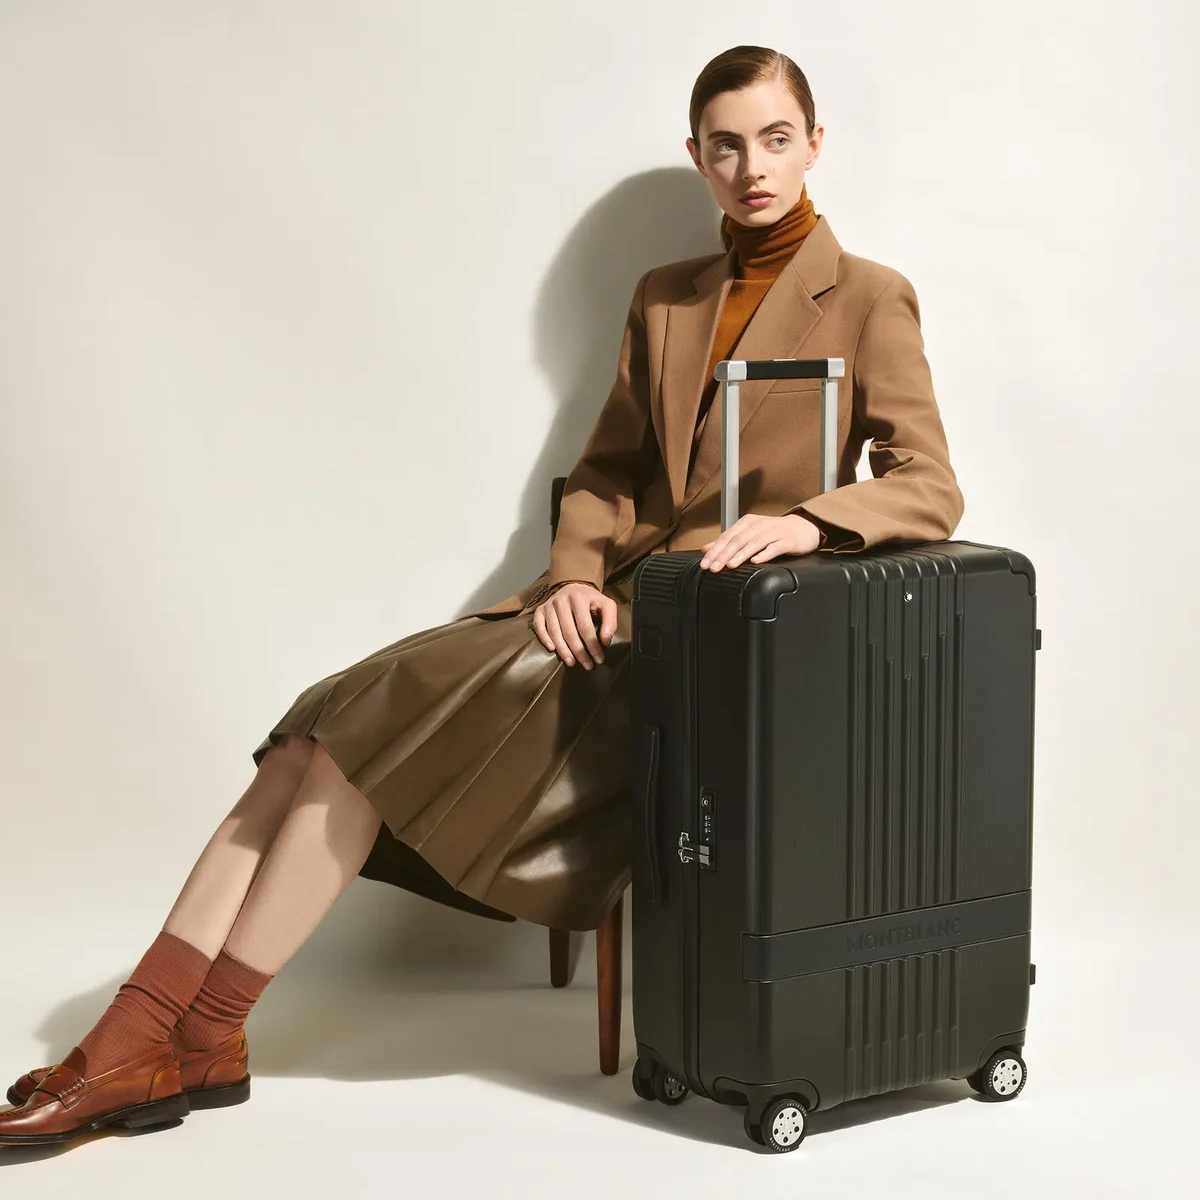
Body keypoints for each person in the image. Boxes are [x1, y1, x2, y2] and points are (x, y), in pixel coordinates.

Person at [0, 44, 964, 1146]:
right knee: (316, 732)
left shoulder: (871, 297)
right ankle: (158, 1038)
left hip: (703, 642)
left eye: (776, 140)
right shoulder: (666, 297)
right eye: (728, 145)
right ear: (698, 156)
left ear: (815, 145)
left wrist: (810, 523)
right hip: (594, 609)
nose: (754, 167)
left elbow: (930, 483)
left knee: (355, 740)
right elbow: (605, 473)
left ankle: (186, 1038)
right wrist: (571, 575)